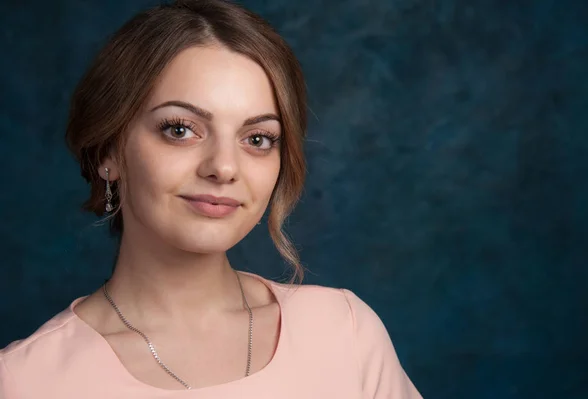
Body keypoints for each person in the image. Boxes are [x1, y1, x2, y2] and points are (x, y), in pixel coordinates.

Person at [0, 1, 421, 397]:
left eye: (257, 138)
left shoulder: (343, 332)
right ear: (109, 152)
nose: (223, 167)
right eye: (180, 129)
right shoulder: (26, 380)